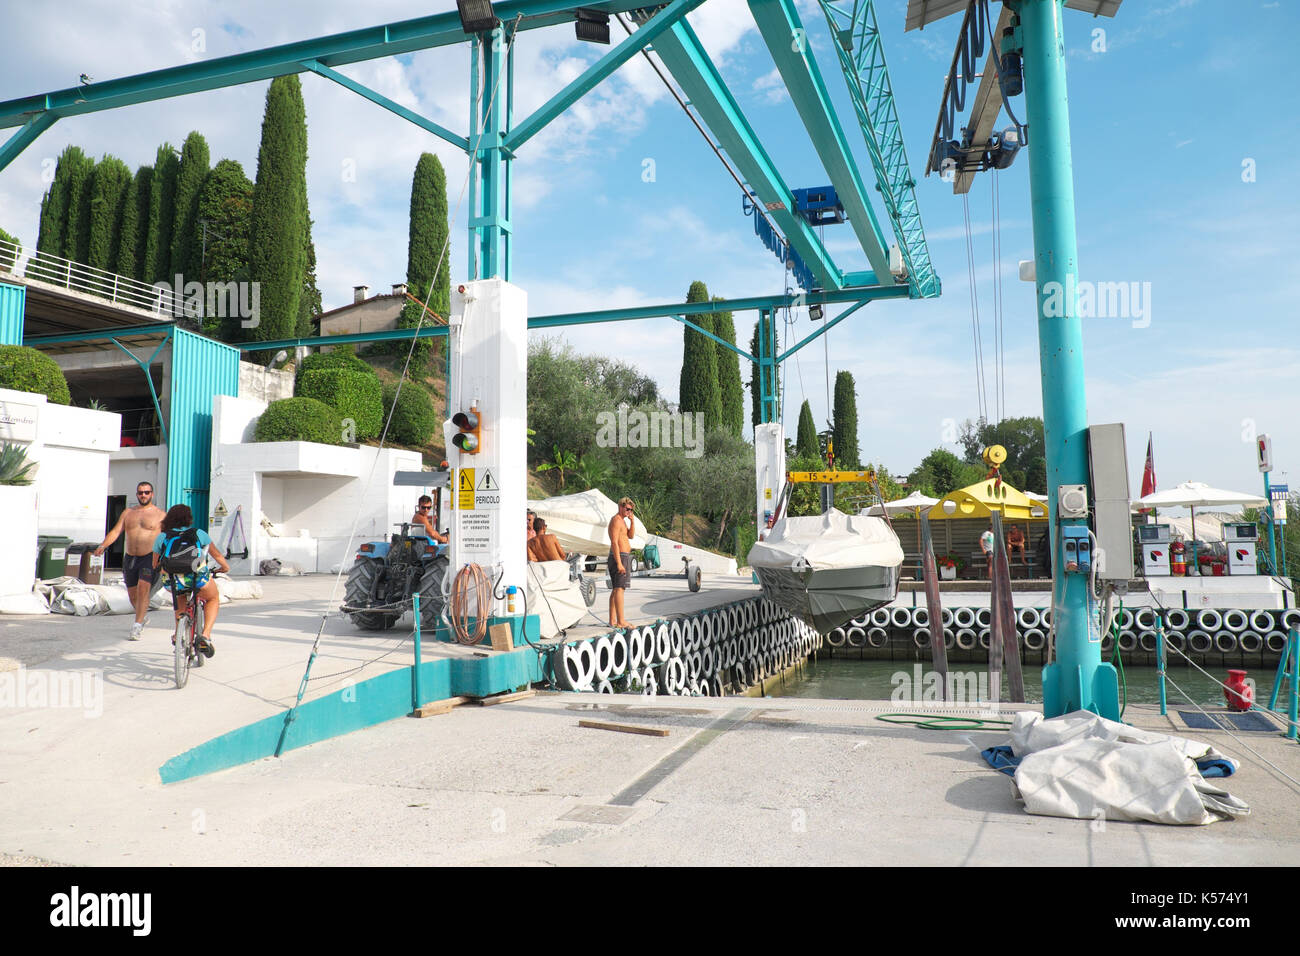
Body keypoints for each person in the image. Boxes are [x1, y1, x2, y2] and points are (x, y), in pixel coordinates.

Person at [152, 504, 229, 657]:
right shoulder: (199, 533)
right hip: (196, 578)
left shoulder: (162, 537)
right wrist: (225, 568)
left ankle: (178, 633)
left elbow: (154, 564)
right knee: (213, 598)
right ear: (189, 518)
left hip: (172, 580)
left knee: (180, 596)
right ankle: (205, 636)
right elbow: (217, 555)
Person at [94, 481, 164, 640]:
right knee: (133, 596)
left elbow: (167, 537)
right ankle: (142, 616)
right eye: (140, 492)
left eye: (147, 492)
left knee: (143, 588)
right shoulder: (128, 513)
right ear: (137, 494)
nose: (143, 495)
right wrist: (103, 545)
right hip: (131, 558)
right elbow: (116, 531)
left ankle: (137, 626)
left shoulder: (160, 515)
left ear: (152, 494)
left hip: (148, 557)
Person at [606, 497, 634, 628]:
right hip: (619, 557)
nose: (629, 511)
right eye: (628, 509)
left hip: (623, 556)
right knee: (619, 589)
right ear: (621, 507)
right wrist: (619, 563)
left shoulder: (623, 521)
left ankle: (612, 620)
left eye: (631, 510)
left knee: (616, 589)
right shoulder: (616, 520)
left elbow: (631, 536)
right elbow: (614, 542)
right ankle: (621, 621)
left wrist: (632, 521)